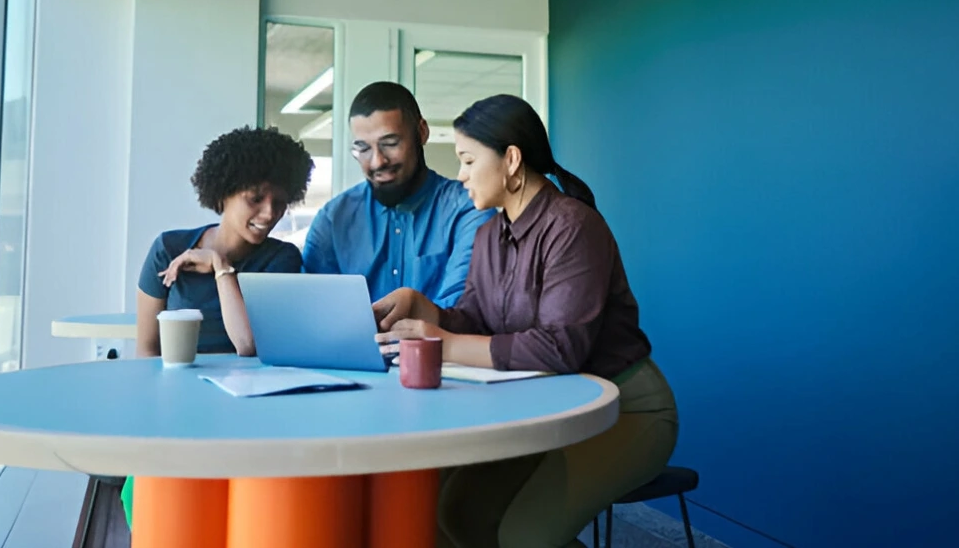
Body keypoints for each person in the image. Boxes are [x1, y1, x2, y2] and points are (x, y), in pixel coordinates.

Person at [373, 95, 679, 548]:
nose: (460, 175)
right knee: (453, 511)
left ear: (511, 159)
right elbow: (476, 319)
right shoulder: (488, 235)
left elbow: (559, 349)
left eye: (468, 160)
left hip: (624, 409)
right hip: (548, 406)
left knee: (522, 534)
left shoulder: (574, 227)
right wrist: (426, 309)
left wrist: (443, 342)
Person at [122, 126, 314, 527]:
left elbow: (247, 344)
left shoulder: (282, 260)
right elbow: (145, 351)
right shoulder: (169, 248)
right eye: (255, 198)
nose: (268, 214)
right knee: (155, 510)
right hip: (177, 408)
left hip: (250, 411)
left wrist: (220, 268)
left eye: (279, 202)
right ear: (223, 192)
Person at [302, 81, 494, 307]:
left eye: (390, 143)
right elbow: (312, 308)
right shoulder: (334, 219)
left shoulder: (469, 207)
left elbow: (463, 310)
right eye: (363, 148)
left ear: (421, 133)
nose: (377, 162)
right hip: (353, 344)